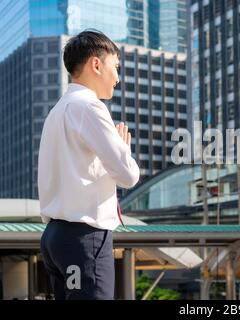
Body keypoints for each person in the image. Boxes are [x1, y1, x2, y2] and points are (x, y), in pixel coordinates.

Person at [38, 30, 140, 300]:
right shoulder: (90, 107)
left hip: (54, 237)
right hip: (84, 237)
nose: (117, 78)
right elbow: (128, 175)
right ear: (96, 64)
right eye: (115, 67)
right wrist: (123, 149)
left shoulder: (57, 111)